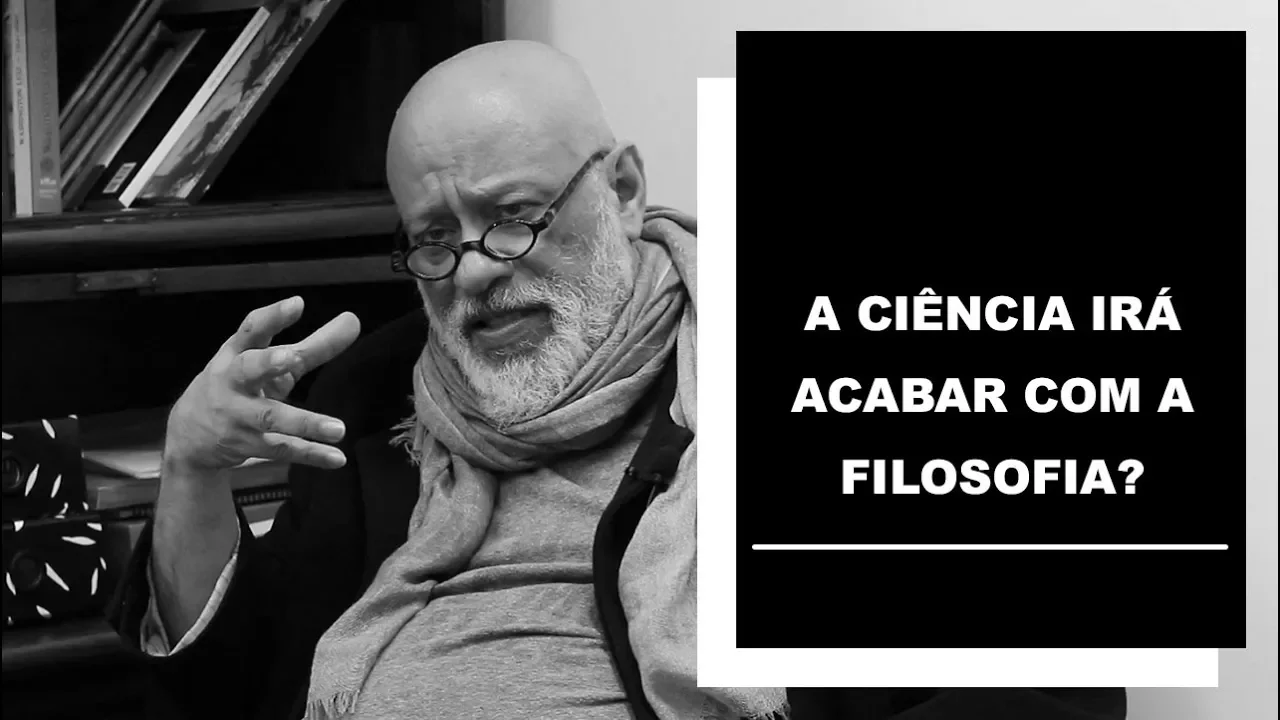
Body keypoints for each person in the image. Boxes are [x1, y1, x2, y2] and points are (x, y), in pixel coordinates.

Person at [107, 40, 1127, 720]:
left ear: (624, 188)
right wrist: (192, 472)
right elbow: (234, 688)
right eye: (433, 238)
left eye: (514, 217)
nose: (472, 272)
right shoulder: (376, 396)